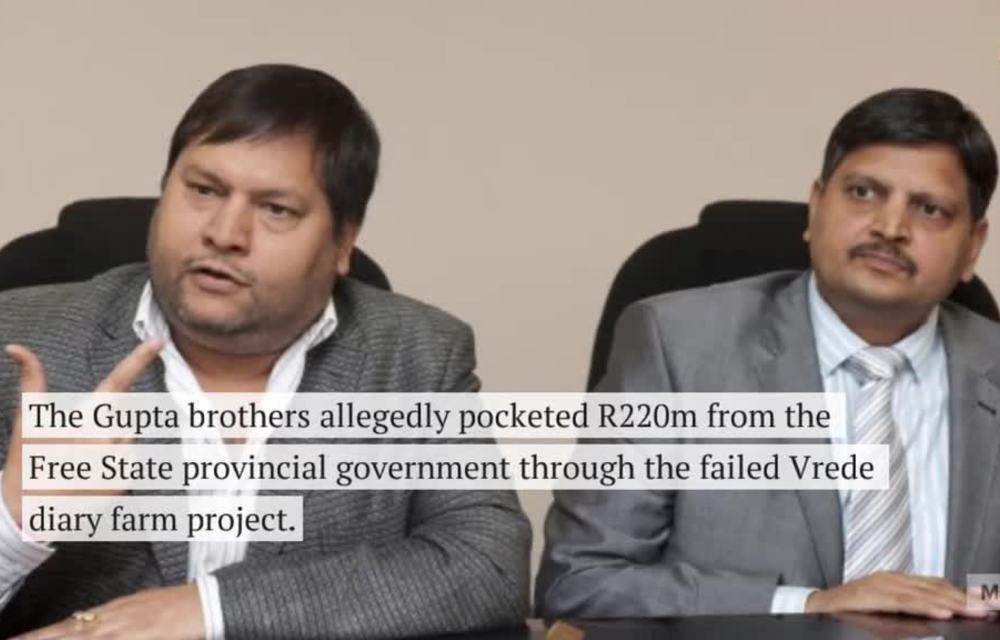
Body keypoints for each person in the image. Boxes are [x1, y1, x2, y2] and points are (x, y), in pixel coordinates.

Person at [0, 64, 530, 639]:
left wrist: (208, 609)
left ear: (343, 241)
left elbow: (489, 564)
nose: (225, 233)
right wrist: (13, 525)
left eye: (276, 209)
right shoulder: (20, 340)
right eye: (204, 190)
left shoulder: (417, 356)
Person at [537, 88, 1000, 620]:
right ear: (816, 206)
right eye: (863, 192)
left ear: (972, 246)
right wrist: (809, 603)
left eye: (930, 209)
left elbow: (991, 585)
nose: (890, 228)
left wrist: (981, 600)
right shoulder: (678, 348)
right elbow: (581, 581)